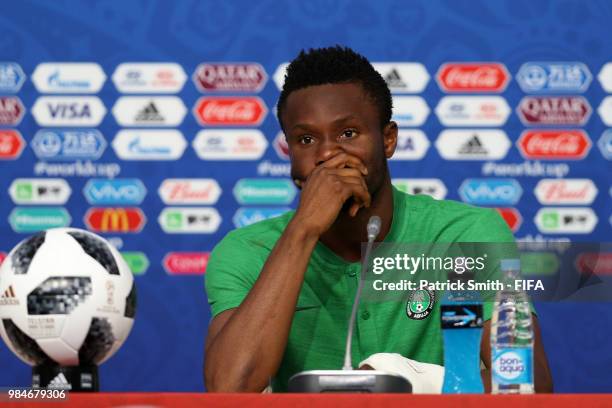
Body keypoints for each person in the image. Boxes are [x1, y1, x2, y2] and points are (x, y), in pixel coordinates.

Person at [203, 45, 553, 393]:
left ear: (388, 140)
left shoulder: (466, 235)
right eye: (305, 139)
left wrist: (409, 380)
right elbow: (229, 389)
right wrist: (302, 231)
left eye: (348, 134)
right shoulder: (246, 251)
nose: (326, 154)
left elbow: (527, 384)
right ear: (290, 155)